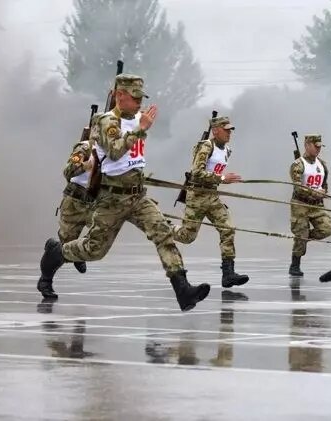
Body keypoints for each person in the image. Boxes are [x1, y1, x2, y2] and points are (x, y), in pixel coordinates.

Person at [38, 73, 210, 311]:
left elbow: (131, 157)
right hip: (111, 199)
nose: (140, 102)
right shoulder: (106, 121)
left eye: (141, 97)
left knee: (163, 234)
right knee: (94, 250)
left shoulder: (139, 118)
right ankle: (57, 253)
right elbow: (116, 151)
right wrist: (140, 130)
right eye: (134, 97)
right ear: (120, 96)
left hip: (137, 196)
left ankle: (183, 289)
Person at [172, 116, 249, 288]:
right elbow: (196, 172)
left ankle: (228, 274)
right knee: (187, 236)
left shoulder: (227, 150)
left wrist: (223, 179)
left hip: (212, 196)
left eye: (230, 130)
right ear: (215, 130)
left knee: (228, 229)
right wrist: (222, 178)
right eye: (226, 129)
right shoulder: (207, 146)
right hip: (197, 195)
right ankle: (164, 227)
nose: (229, 133)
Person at [288, 134, 331, 276]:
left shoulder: (322, 165)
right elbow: (297, 187)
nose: (318, 149)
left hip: (317, 205)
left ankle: (303, 238)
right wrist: (314, 193)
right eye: (316, 146)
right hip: (300, 204)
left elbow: (324, 184)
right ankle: (295, 264)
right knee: (301, 233)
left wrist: (323, 192)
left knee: (326, 229)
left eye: (320, 147)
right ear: (307, 146)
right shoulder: (298, 165)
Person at [57, 134, 97, 274]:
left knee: (102, 235)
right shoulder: (86, 147)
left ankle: (79, 250)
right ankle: (46, 279)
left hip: (95, 202)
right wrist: (86, 165)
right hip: (75, 201)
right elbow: (68, 171)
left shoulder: (116, 150)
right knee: (64, 247)